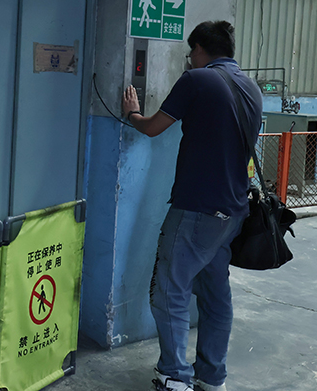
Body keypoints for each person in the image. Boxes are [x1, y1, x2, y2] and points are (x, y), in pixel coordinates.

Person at [121, 20, 262, 391]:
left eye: (190, 53)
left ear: (199, 49)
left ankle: (174, 376)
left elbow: (153, 127)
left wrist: (133, 113)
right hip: (233, 211)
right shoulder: (250, 86)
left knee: (170, 289)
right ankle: (212, 378)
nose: (189, 59)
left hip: (198, 208)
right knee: (215, 296)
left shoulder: (197, 79)